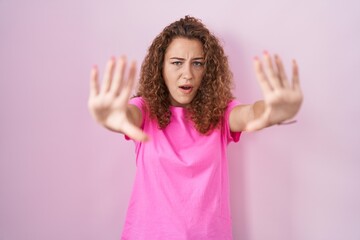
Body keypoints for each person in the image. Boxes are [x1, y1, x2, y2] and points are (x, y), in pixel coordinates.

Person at [88, 16, 302, 240]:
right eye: (177, 62)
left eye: (197, 63)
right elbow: (126, 116)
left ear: (207, 70)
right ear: (160, 67)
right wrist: (111, 116)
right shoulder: (145, 109)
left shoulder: (220, 113)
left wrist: (272, 111)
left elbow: (250, 113)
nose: (187, 74)